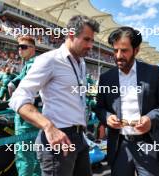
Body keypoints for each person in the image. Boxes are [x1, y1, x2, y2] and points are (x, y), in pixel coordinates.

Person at [9, 15, 100, 176]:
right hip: (58, 140)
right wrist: (48, 127)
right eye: (86, 39)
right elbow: (18, 97)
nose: (90, 46)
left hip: (80, 138)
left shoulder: (82, 62)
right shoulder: (49, 60)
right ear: (71, 35)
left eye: (92, 40)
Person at [95, 26, 159, 176]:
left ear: (136, 50)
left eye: (124, 50)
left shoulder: (154, 73)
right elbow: (99, 108)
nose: (118, 55)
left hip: (148, 144)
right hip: (120, 145)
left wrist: (150, 119)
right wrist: (107, 118)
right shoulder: (106, 78)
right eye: (115, 50)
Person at [9, 35, 41, 176]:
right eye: (18, 47)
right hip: (35, 114)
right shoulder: (30, 63)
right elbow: (21, 77)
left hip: (26, 116)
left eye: (23, 47)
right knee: (35, 154)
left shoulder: (33, 63)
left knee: (24, 155)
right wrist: (13, 82)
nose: (19, 50)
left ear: (33, 49)